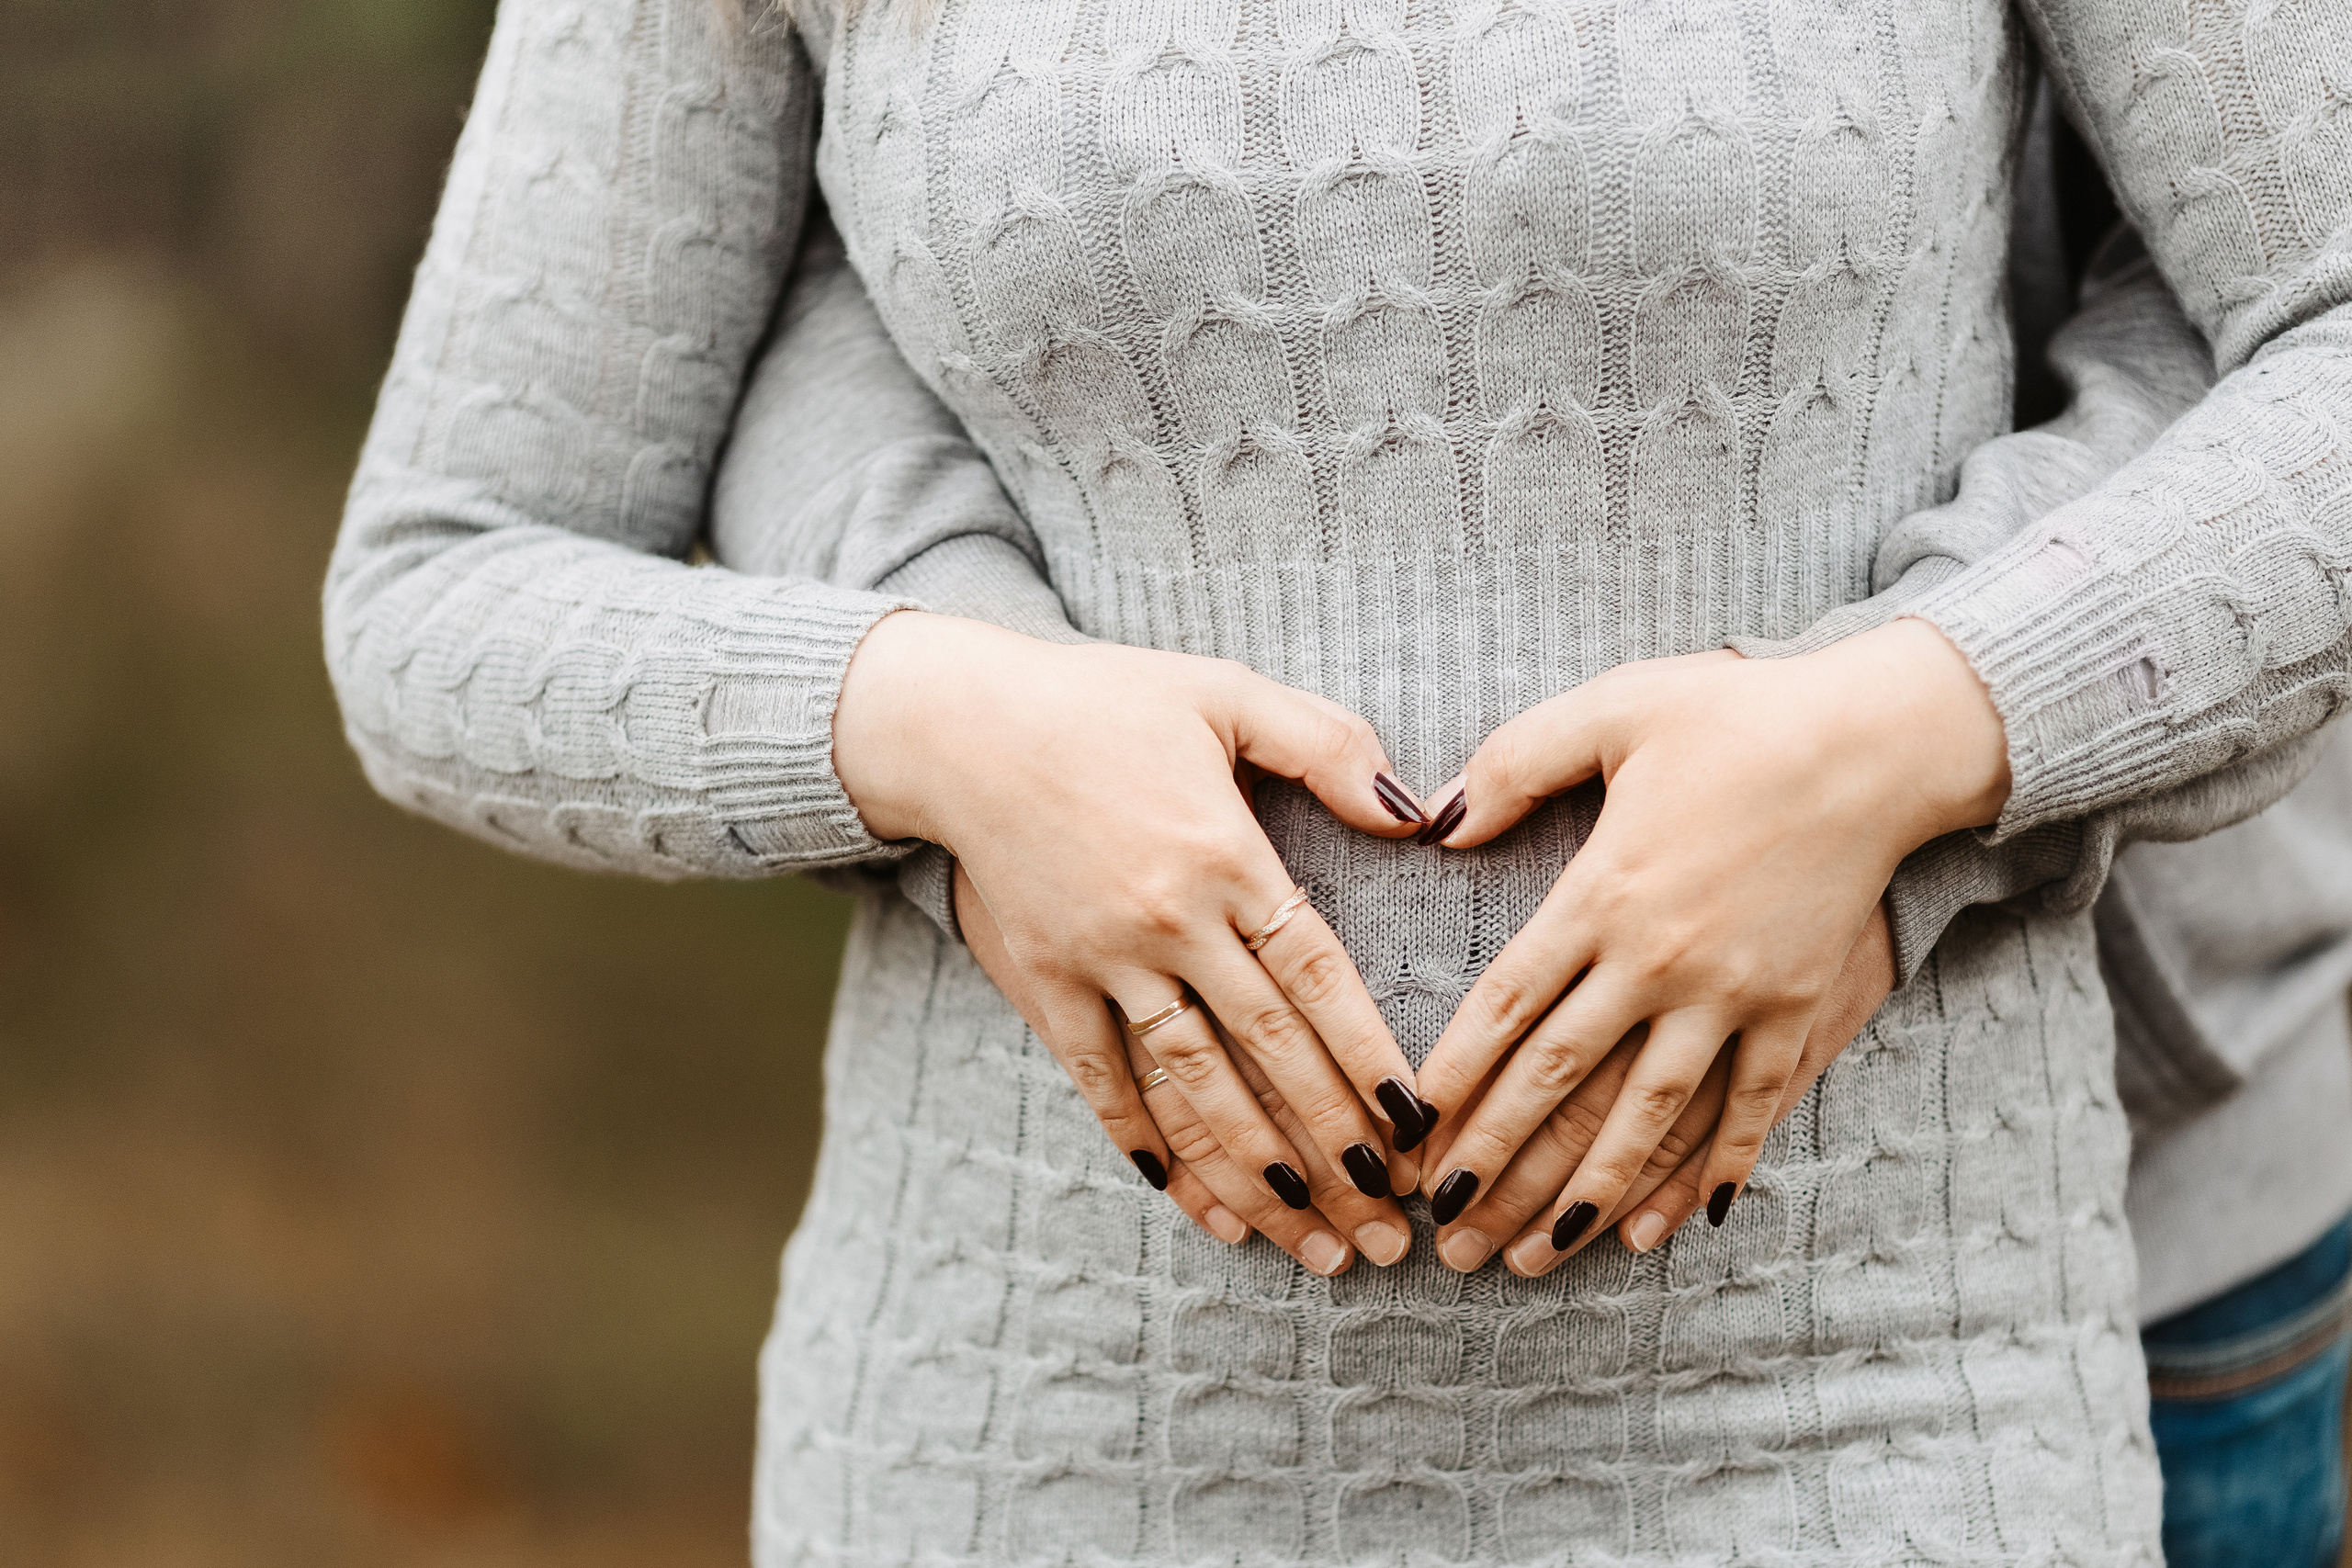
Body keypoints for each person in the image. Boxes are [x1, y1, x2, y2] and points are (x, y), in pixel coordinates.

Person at [323, 0, 2352, 1561]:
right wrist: (929, 720)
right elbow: (445, 575)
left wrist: (1898, 734)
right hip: (1022, 1434)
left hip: (1873, 1418)